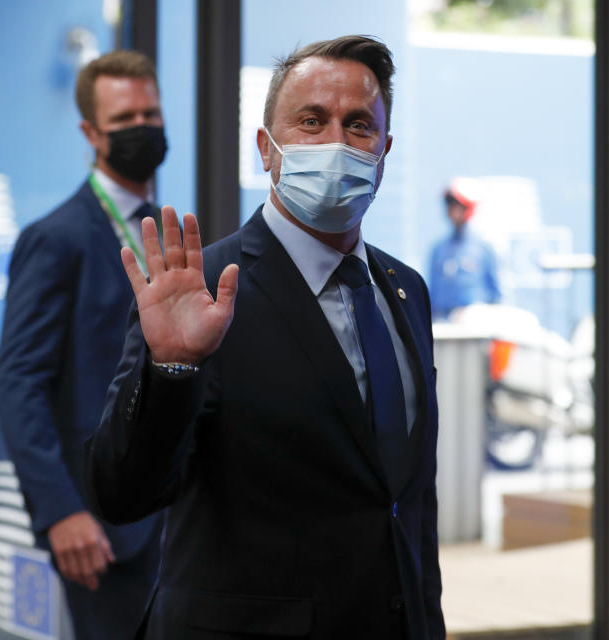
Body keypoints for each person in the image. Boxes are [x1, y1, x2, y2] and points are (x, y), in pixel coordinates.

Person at [85, 36, 445, 639]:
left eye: (358, 126)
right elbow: (122, 492)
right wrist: (172, 367)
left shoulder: (404, 290)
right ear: (265, 148)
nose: (336, 142)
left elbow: (406, 503)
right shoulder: (202, 289)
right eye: (311, 121)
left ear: (383, 152)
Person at [0, 50, 166, 640]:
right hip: (100, 528)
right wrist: (60, 510)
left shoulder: (169, 234)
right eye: (124, 121)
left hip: (176, 518)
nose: (142, 130)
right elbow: (19, 385)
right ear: (90, 133)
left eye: (151, 114)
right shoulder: (55, 239)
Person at [427, 177, 501, 320]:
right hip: (444, 325)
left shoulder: (484, 248)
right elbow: (432, 293)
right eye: (449, 204)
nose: (451, 209)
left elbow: (496, 295)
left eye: (456, 205)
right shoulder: (439, 250)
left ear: (468, 208)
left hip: (475, 325)